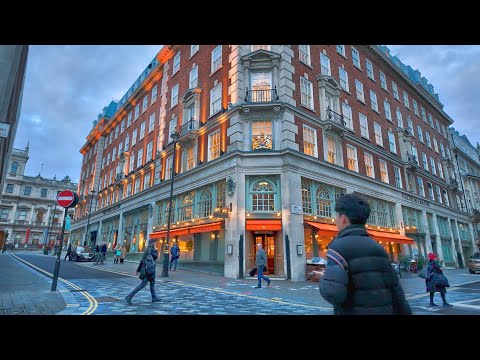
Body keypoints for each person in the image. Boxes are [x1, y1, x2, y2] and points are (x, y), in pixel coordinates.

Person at [319, 193, 412, 315]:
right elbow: (397, 293)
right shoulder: (379, 249)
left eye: (336, 216)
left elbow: (333, 293)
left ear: (343, 218)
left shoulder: (337, 247)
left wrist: (323, 278)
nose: (336, 220)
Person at [125, 238, 161, 304]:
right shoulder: (151, 250)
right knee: (143, 284)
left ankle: (154, 297)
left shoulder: (147, 250)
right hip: (149, 270)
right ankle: (129, 296)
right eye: (155, 243)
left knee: (152, 282)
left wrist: (138, 270)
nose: (156, 244)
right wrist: (156, 251)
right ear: (153, 243)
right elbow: (155, 256)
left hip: (147, 269)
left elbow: (142, 260)